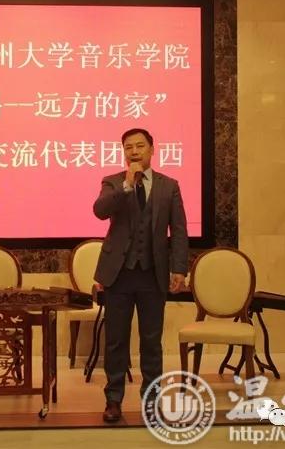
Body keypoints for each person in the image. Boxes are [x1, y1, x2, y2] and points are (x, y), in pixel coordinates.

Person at [92, 128, 189, 423]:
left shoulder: (169, 186)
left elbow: (179, 230)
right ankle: (113, 400)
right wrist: (126, 185)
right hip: (118, 275)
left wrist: (179, 268)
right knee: (116, 341)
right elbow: (100, 211)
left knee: (151, 341)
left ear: (152, 149)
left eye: (140, 146)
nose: (134, 152)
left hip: (152, 274)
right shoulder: (113, 182)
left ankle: (152, 400)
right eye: (128, 147)